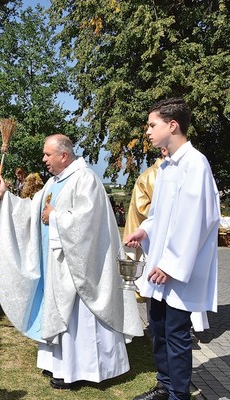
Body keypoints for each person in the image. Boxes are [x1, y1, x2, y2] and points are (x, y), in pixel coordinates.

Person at [0, 134, 141, 389]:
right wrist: (7, 195)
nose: (43, 159)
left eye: (47, 154)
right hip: (57, 264)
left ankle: (83, 369)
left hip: (80, 268)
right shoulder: (53, 182)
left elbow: (88, 221)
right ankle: (59, 365)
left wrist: (58, 217)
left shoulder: (86, 179)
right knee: (59, 312)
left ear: (63, 155)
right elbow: (32, 210)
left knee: (79, 319)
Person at [124, 98, 220, 400]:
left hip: (176, 271)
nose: (148, 132)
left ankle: (179, 394)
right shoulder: (166, 168)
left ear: (172, 125)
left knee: (177, 335)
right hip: (160, 268)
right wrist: (144, 230)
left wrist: (171, 264)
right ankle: (164, 386)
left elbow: (196, 220)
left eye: (153, 125)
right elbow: (162, 215)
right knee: (160, 330)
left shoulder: (195, 164)